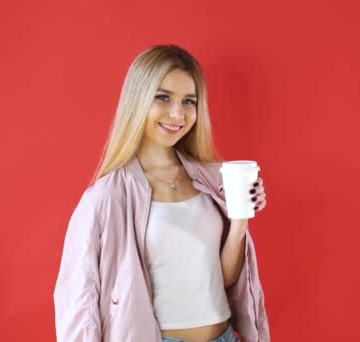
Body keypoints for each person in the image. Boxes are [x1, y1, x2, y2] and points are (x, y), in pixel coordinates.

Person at [53, 44, 270, 342]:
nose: (177, 113)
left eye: (189, 101)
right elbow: (76, 301)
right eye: (163, 97)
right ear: (138, 100)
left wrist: (240, 218)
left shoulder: (212, 180)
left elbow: (223, 279)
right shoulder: (106, 197)